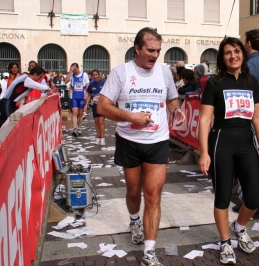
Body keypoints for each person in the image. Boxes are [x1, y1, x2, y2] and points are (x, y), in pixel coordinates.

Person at [97, 27, 185, 266]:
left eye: (158, 50)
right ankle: (134, 220)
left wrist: (176, 110)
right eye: (150, 50)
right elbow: (102, 107)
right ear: (137, 49)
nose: (155, 55)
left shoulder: (165, 72)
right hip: (129, 141)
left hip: (157, 141)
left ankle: (149, 250)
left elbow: (171, 98)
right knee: (134, 192)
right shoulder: (121, 73)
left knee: (154, 195)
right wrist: (130, 117)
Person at [198, 37, 259, 265]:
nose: (233, 56)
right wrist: (204, 153)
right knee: (223, 197)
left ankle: (240, 227)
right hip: (221, 142)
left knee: (255, 197)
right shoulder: (214, 82)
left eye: (236, 51)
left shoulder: (251, 81)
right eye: (228, 52)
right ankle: (225, 242)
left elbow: (257, 116)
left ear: (243, 54)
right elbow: (205, 119)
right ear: (222, 57)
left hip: (246, 143)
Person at [232, 29, 259, 214]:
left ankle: (250, 201)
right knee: (255, 161)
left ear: (248, 43)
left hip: (253, 116)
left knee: (247, 161)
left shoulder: (250, 64)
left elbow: (243, 88)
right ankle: (255, 199)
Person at [65, 63, 90, 136]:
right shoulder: (72, 75)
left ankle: (79, 127)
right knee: (74, 112)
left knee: (80, 113)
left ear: (78, 68)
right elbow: (66, 81)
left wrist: (87, 94)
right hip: (74, 97)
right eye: (73, 69)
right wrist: (70, 72)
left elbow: (87, 85)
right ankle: (74, 128)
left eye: (75, 69)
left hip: (82, 96)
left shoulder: (84, 75)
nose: (74, 71)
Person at [86, 69, 106, 145]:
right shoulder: (91, 85)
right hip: (94, 105)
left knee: (101, 121)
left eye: (96, 74)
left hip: (102, 105)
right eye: (93, 75)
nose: (95, 76)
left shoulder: (103, 83)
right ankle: (98, 137)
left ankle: (102, 138)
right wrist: (86, 104)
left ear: (99, 75)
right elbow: (89, 95)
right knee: (96, 122)